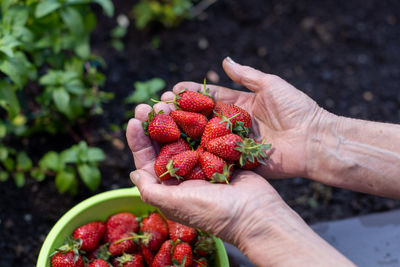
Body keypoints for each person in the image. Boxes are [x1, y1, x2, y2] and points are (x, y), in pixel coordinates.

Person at [126, 57, 400, 266]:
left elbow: (206, 144)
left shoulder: (211, 139)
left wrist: (251, 222)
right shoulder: (208, 138)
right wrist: (316, 135)